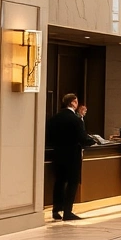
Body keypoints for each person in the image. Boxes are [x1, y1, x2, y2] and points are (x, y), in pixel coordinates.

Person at [46, 93, 95, 221]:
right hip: (72, 154)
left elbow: (48, 136)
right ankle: (68, 211)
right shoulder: (75, 119)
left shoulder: (54, 118)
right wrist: (92, 141)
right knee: (72, 182)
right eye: (76, 101)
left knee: (59, 181)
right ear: (73, 102)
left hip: (58, 154)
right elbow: (82, 138)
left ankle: (56, 210)